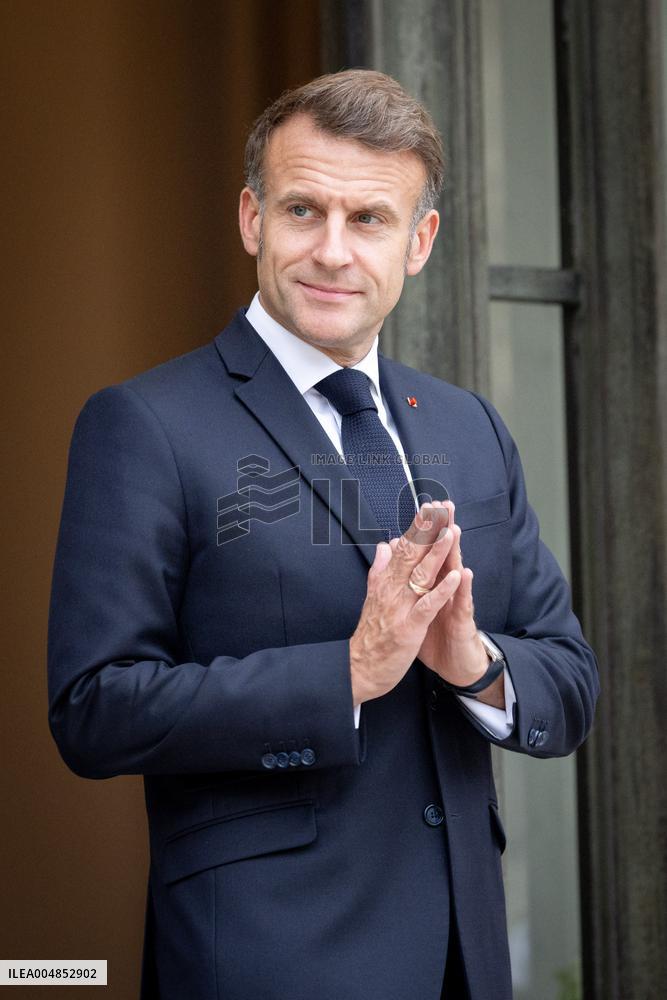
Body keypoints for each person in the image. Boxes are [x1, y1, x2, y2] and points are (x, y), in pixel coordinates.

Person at [48, 70, 599, 1000]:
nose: (332, 251)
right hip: (266, 961)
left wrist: (473, 661)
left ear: (419, 241)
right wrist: (344, 672)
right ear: (252, 219)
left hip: (467, 959)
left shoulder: (471, 427)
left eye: (369, 219)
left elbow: (568, 680)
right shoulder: (144, 424)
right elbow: (94, 707)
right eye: (304, 209)